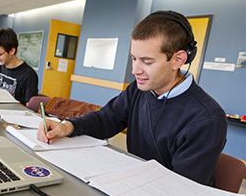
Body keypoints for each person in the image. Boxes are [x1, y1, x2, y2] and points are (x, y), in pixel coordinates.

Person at [37, 10, 227, 187]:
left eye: (147, 61)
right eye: (134, 58)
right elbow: (107, 119)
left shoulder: (207, 119)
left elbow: (180, 188)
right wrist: (68, 126)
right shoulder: (139, 89)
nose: (135, 70)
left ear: (178, 60)